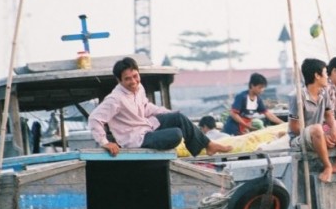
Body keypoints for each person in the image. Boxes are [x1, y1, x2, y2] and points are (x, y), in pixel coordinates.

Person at [88, 57, 232, 157]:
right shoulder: (115, 99)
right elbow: (95, 119)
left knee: (179, 117)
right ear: (119, 80)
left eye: (135, 76)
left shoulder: (139, 88)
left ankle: (209, 145)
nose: (133, 81)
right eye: (127, 79)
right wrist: (105, 142)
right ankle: (204, 146)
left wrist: (169, 114)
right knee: (176, 134)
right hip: (135, 139)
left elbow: (146, 108)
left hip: (146, 127)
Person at [288, 58, 336, 183]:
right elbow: (294, 128)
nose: (327, 77)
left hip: (318, 133)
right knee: (317, 128)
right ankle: (328, 166)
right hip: (300, 138)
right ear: (317, 75)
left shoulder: (324, 92)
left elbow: (328, 114)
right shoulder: (297, 96)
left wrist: (334, 130)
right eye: (326, 73)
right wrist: (319, 134)